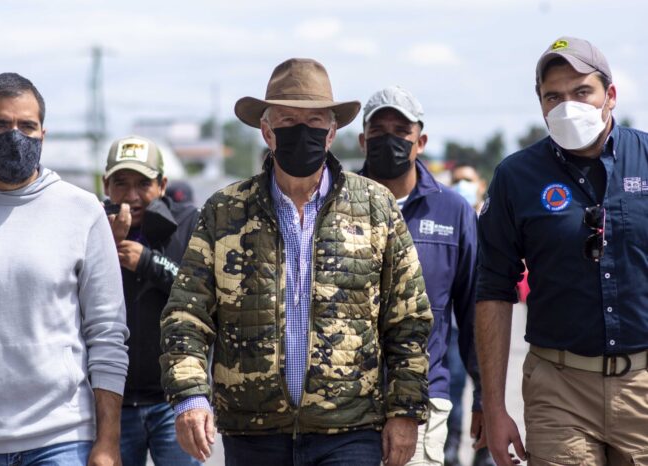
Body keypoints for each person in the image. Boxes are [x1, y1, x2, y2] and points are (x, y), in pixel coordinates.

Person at [160, 58, 434, 466]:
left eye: (314, 121)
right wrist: (189, 397)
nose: (302, 131)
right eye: (288, 120)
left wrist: (406, 412)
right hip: (254, 432)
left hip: (350, 430)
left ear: (331, 133)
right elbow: (186, 314)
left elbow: (408, 320)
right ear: (267, 132)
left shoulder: (376, 206)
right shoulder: (225, 211)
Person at [477, 36, 648, 465]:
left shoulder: (646, 158)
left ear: (609, 96)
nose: (567, 104)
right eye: (553, 95)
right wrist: (494, 408)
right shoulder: (516, 176)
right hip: (559, 389)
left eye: (581, 91)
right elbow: (493, 288)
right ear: (540, 105)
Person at [0, 72, 129, 465]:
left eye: (27, 126)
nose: (15, 137)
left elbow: (108, 334)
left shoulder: (82, 212)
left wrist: (108, 441)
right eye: (0, 125)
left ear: (43, 133)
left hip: (61, 439)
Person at [358, 86, 483, 466]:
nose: (389, 140)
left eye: (401, 131)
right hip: (342, 405)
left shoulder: (454, 212)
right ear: (363, 141)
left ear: (421, 141)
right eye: (378, 132)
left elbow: (475, 311)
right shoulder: (337, 204)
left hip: (423, 402)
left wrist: (484, 399)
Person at [102, 136, 200, 466]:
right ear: (105, 185)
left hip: (174, 400)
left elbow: (201, 293)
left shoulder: (188, 222)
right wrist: (106, 243)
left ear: (162, 185)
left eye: (143, 183)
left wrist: (149, 262)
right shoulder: (91, 226)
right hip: (112, 402)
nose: (131, 196)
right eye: (121, 183)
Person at [446, 164, 494, 466]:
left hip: (487, 322)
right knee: (452, 387)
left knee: (488, 386)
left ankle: (484, 449)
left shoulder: (490, 220)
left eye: (468, 179)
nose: (462, 184)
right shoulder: (450, 218)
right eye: (457, 180)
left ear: (480, 184)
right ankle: (451, 447)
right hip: (454, 323)